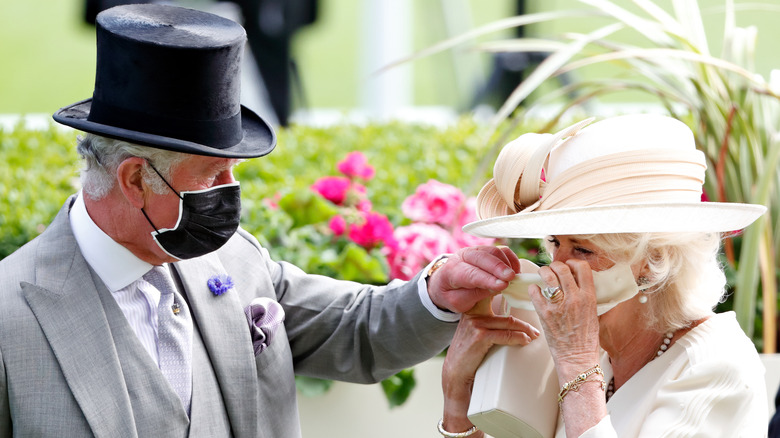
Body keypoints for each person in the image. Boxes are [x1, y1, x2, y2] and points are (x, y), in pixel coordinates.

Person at [0, 5, 538, 437]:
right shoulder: (10, 316)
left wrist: (436, 292)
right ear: (135, 179)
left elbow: (353, 328)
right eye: (212, 176)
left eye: (235, 172)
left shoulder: (235, 259)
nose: (231, 195)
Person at [437, 114, 769, 437]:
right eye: (554, 243)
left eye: (582, 250)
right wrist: (458, 393)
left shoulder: (713, 366)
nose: (557, 266)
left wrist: (576, 365)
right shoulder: (586, 347)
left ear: (652, 261)